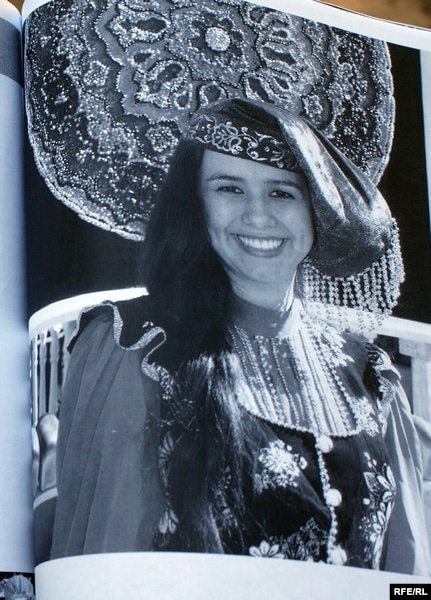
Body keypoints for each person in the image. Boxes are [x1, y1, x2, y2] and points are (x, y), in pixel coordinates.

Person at [50, 98, 431, 574]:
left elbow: (409, 578)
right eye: (229, 188)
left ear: (317, 210)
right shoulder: (135, 345)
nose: (258, 216)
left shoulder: (372, 377)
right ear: (195, 205)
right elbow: (110, 570)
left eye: (282, 193)